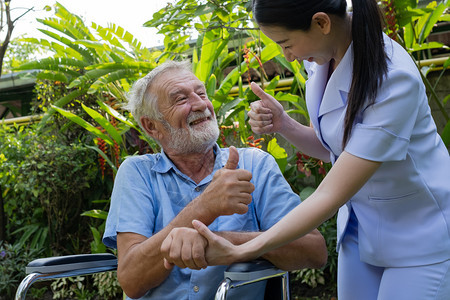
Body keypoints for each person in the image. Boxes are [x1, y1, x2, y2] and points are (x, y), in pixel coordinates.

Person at [162, 0, 450, 299]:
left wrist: (241, 250)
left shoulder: (393, 79)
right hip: (361, 231)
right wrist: (283, 124)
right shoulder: (322, 58)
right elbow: (337, 150)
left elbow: (330, 193)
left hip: (418, 235)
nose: (288, 56)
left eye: (286, 43)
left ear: (322, 23)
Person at [102, 60, 327, 300]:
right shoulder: (137, 173)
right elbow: (132, 281)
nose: (200, 104)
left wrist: (227, 243)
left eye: (201, 93)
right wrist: (205, 206)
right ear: (151, 126)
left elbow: (314, 250)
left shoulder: (255, 165)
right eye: (181, 99)